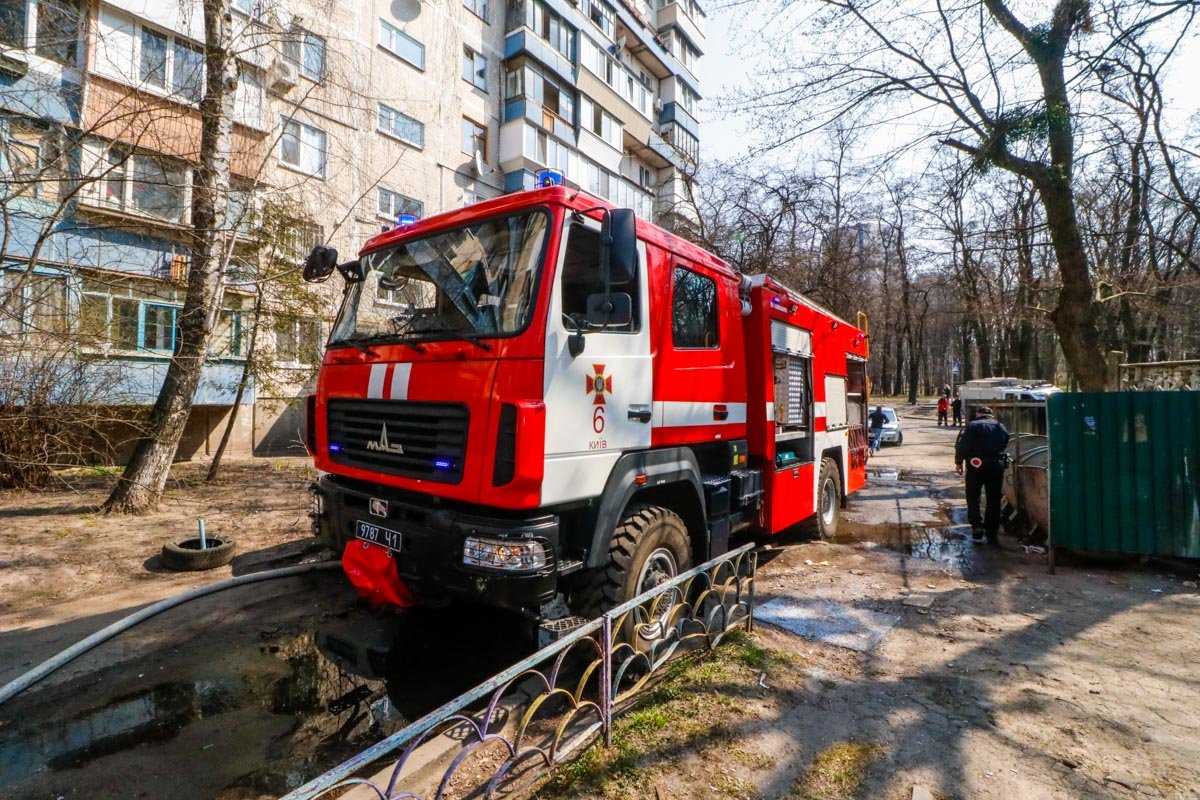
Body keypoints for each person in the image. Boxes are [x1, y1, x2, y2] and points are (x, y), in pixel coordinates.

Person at [955, 406, 1010, 546]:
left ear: (978, 414)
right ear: (991, 415)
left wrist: (959, 462)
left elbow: (962, 446)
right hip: (996, 465)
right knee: (994, 498)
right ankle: (992, 530)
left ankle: (977, 526)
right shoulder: (1000, 426)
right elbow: (1005, 441)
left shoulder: (972, 426)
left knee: (973, 496)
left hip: (976, 465)